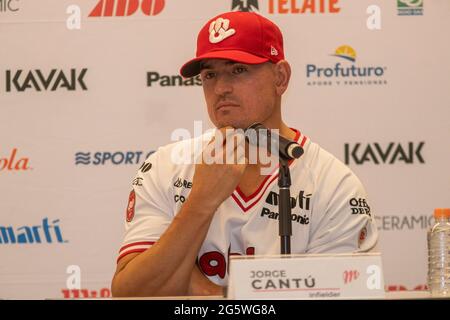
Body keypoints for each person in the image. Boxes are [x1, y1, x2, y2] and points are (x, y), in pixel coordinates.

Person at [111, 11, 378, 297]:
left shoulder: (335, 185)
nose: (221, 88)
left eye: (238, 70)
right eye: (210, 75)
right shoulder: (165, 167)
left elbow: (339, 293)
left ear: (281, 77)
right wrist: (201, 201)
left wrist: (213, 294)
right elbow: (131, 292)